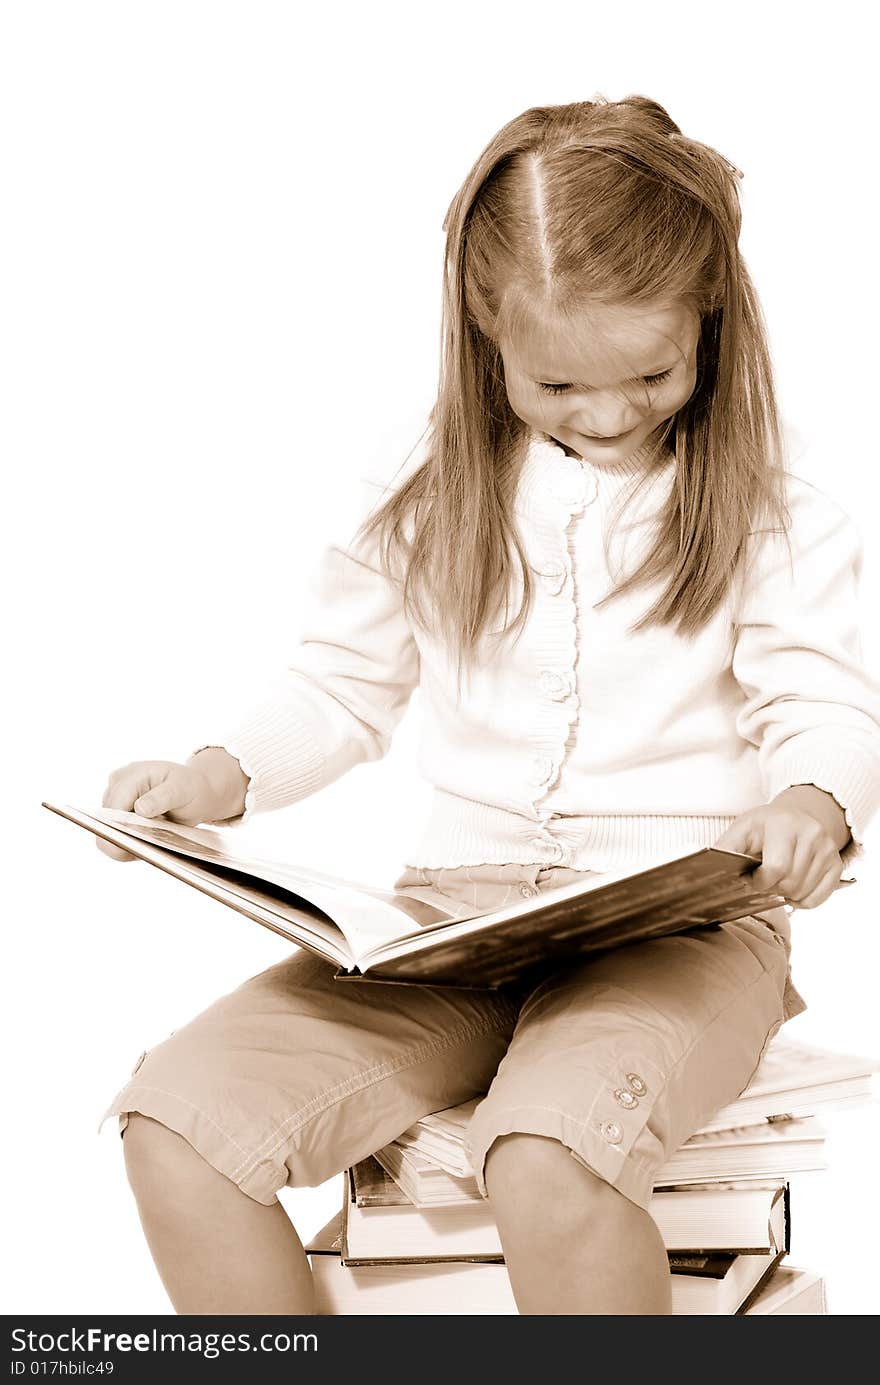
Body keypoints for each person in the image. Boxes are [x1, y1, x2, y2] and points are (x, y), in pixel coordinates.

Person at [96, 94, 880, 1315]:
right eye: (559, 381)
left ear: (710, 318)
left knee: (548, 1150)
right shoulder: (423, 486)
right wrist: (218, 773)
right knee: (178, 1124)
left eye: (653, 372)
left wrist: (812, 798)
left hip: (673, 932)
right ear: (484, 326)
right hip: (451, 927)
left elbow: (825, 704)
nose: (610, 412)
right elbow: (340, 683)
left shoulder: (773, 509)